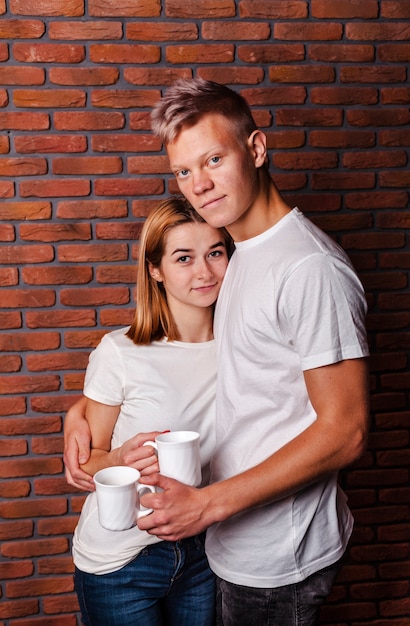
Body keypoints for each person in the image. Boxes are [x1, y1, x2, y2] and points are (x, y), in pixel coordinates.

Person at [65, 78, 370, 626]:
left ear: (255, 149)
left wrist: (208, 504)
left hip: (280, 554)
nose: (198, 185)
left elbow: (345, 430)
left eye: (212, 159)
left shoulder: (309, 267)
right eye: (184, 171)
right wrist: (84, 413)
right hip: (227, 544)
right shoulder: (243, 251)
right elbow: (201, 372)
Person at [70, 195, 231, 626]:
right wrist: (121, 459)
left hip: (206, 552)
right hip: (122, 561)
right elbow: (88, 461)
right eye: (184, 258)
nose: (205, 271)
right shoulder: (121, 351)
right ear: (155, 269)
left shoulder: (248, 347)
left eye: (216, 252)